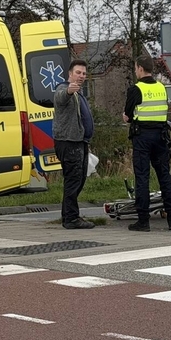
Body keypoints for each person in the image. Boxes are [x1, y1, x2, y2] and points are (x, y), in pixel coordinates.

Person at [122, 55, 171, 231]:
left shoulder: (135, 89)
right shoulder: (162, 87)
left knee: (142, 178)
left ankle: (143, 221)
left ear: (139, 68)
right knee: (165, 177)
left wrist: (127, 116)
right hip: (161, 137)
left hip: (143, 138)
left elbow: (128, 115)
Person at [53, 59, 95, 229]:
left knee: (78, 179)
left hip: (79, 142)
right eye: (78, 72)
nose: (81, 76)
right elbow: (61, 98)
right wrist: (69, 91)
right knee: (73, 180)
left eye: (84, 73)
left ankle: (67, 214)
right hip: (69, 142)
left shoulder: (80, 94)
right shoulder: (64, 89)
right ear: (70, 74)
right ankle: (71, 218)